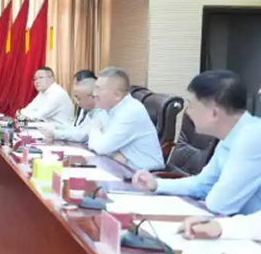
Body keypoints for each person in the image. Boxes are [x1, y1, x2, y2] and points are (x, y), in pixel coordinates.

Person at [133, 70, 261, 216]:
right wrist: (156, 184)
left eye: (192, 106)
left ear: (214, 113)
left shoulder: (251, 137)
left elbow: (219, 204)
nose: (188, 112)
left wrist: (208, 198)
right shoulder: (232, 136)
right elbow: (201, 184)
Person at [88, 67, 164, 171]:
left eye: (98, 89)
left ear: (117, 95)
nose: (94, 94)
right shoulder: (109, 109)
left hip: (147, 174)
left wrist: (94, 129)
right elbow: (100, 146)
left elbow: (101, 148)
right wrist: (112, 153)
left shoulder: (131, 111)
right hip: (125, 168)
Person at [40, 77, 105, 143]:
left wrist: (55, 134)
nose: (77, 102)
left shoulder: (101, 113)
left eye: (79, 98)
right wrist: (56, 127)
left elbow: (82, 136)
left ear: (92, 96)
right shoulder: (90, 112)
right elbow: (77, 130)